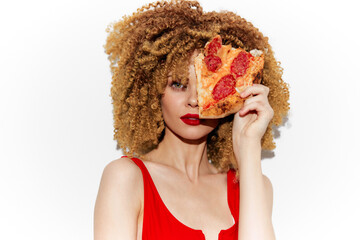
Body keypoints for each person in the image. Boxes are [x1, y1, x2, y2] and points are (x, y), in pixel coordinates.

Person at [94, 0, 290, 239]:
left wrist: (248, 147)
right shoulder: (126, 178)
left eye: (207, 87)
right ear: (152, 90)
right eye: (178, 84)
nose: (194, 101)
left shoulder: (254, 185)